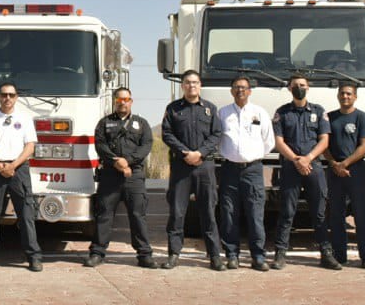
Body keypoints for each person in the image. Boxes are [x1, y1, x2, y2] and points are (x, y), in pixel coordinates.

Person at [271, 74, 338, 270]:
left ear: (308, 88)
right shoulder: (281, 113)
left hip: (313, 166)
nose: (298, 88)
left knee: (319, 213)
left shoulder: (319, 111)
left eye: (302, 85)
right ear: (289, 89)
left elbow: (324, 140)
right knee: (287, 212)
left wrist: (308, 158)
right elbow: (278, 141)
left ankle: (326, 254)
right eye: (295, 85)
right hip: (291, 166)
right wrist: (296, 159)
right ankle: (280, 254)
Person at [85, 87, 156, 269]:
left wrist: (127, 162)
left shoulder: (142, 124)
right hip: (110, 176)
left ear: (131, 101)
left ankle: (144, 254)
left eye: (126, 99)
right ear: (115, 102)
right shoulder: (104, 123)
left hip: (134, 177)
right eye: (119, 99)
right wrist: (116, 162)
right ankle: (97, 253)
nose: (123, 102)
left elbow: (146, 146)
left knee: (138, 215)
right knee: (104, 215)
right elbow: (100, 145)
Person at [160, 70, 224, 270]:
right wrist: (185, 152)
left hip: (204, 167)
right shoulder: (173, 109)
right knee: (177, 213)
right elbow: (167, 134)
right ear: (183, 86)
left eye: (195, 82)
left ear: (200, 85)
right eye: (187, 82)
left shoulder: (210, 109)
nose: (191, 86)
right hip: (181, 167)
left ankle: (214, 255)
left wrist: (200, 153)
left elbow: (217, 134)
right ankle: (174, 254)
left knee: (208, 212)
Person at [0, 82, 41, 272]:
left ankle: (33, 257)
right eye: (4, 95)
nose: (8, 98)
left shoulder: (25, 119)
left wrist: (12, 165)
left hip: (18, 169)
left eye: (11, 95)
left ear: (17, 97)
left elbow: (30, 146)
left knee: (26, 214)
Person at [218, 75, 275, 271]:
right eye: (236, 87)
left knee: (255, 213)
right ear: (231, 91)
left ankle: (258, 256)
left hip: (253, 170)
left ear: (250, 91)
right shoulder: (223, 113)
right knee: (229, 213)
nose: (240, 90)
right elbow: (217, 140)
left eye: (244, 87)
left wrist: (252, 156)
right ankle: (231, 255)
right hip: (229, 169)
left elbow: (269, 142)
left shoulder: (260, 112)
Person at [324, 82, 365, 269]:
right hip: (335, 171)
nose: (345, 96)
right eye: (342, 93)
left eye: (349, 94)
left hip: (356, 171)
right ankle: (340, 255)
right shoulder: (329, 117)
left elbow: (364, 146)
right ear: (338, 95)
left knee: (361, 214)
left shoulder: (362, 117)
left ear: (355, 96)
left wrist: (345, 163)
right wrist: (334, 163)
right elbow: (324, 144)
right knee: (336, 215)